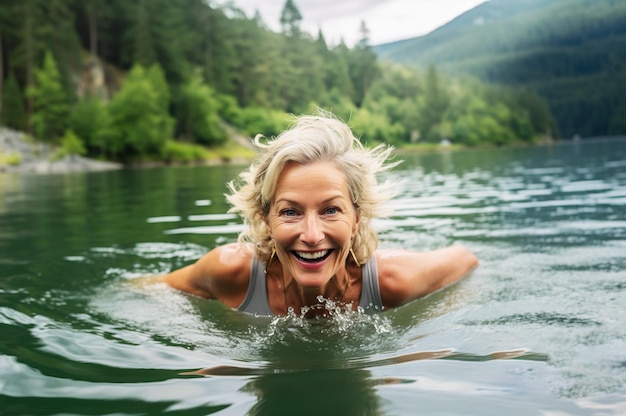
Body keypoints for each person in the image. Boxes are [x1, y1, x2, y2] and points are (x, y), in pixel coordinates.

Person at [162, 111, 478, 316]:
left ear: (356, 219)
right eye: (290, 212)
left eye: (330, 210)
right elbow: (154, 290)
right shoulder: (231, 271)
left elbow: (465, 259)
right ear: (266, 219)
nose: (312, 236)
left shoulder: (390, 280)